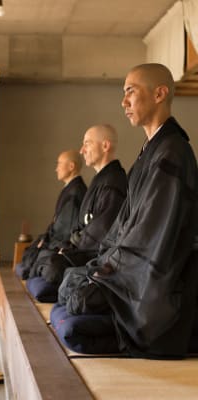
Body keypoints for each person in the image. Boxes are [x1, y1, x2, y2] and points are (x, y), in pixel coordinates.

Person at [58, 63, 198, 358]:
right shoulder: (150, 152)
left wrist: (107, 274)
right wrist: (100, 267)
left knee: (73, 324)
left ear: (159, 94)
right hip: (129, 275)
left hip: (152, 294)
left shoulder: (172, 152)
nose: (124, 102)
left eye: (130, 92)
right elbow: (119, 230)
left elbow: (151, 240)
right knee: (69, 290)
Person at [28, 124, 127, 290]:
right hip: (81, 249)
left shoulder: (114, 182)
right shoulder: (100, 180)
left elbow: (100, 233)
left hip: (95, 255)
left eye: (87, 143)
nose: (82, 150)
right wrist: (67, 247)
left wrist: (69, 251)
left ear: (105, 146)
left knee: (53, 264)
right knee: (43, 257)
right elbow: (80, 226)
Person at [15, 150, 87, 279]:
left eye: (59, 164)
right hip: (55, 238)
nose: (56, 169)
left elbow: (64, 230)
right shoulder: (70, 189)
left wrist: (46, 242)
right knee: (31, 253)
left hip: (62, 244)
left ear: (71, 166)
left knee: (38, 257)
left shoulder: (76, 192)